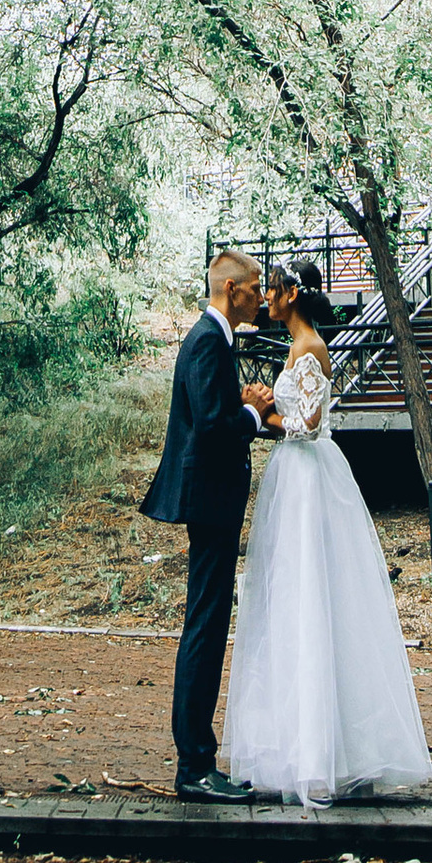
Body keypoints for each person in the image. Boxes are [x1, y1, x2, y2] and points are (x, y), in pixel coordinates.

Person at [224, 268, 431, 804]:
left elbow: (309, 423)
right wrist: (270, 402)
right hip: (293, 476)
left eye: (271, 290)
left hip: (309, 476)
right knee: (290, 600)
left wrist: (264, 412)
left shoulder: (311, 346)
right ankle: (297, 744)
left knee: (313, 595)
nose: (265, 298)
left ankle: (319, 752)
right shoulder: (299, 345)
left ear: (291, 295)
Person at [140, 250, 270, 799]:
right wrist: (255, 412)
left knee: (210, 621)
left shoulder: (216, 339)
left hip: (214, 498)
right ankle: (194, 766)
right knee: (206, 625)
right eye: (256, 286)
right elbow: (215, 425)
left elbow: (211, 408)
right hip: (210, 499)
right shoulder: (206, 340)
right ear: (232, 289)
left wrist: (238, 404)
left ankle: (197, 761)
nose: (262, 296)